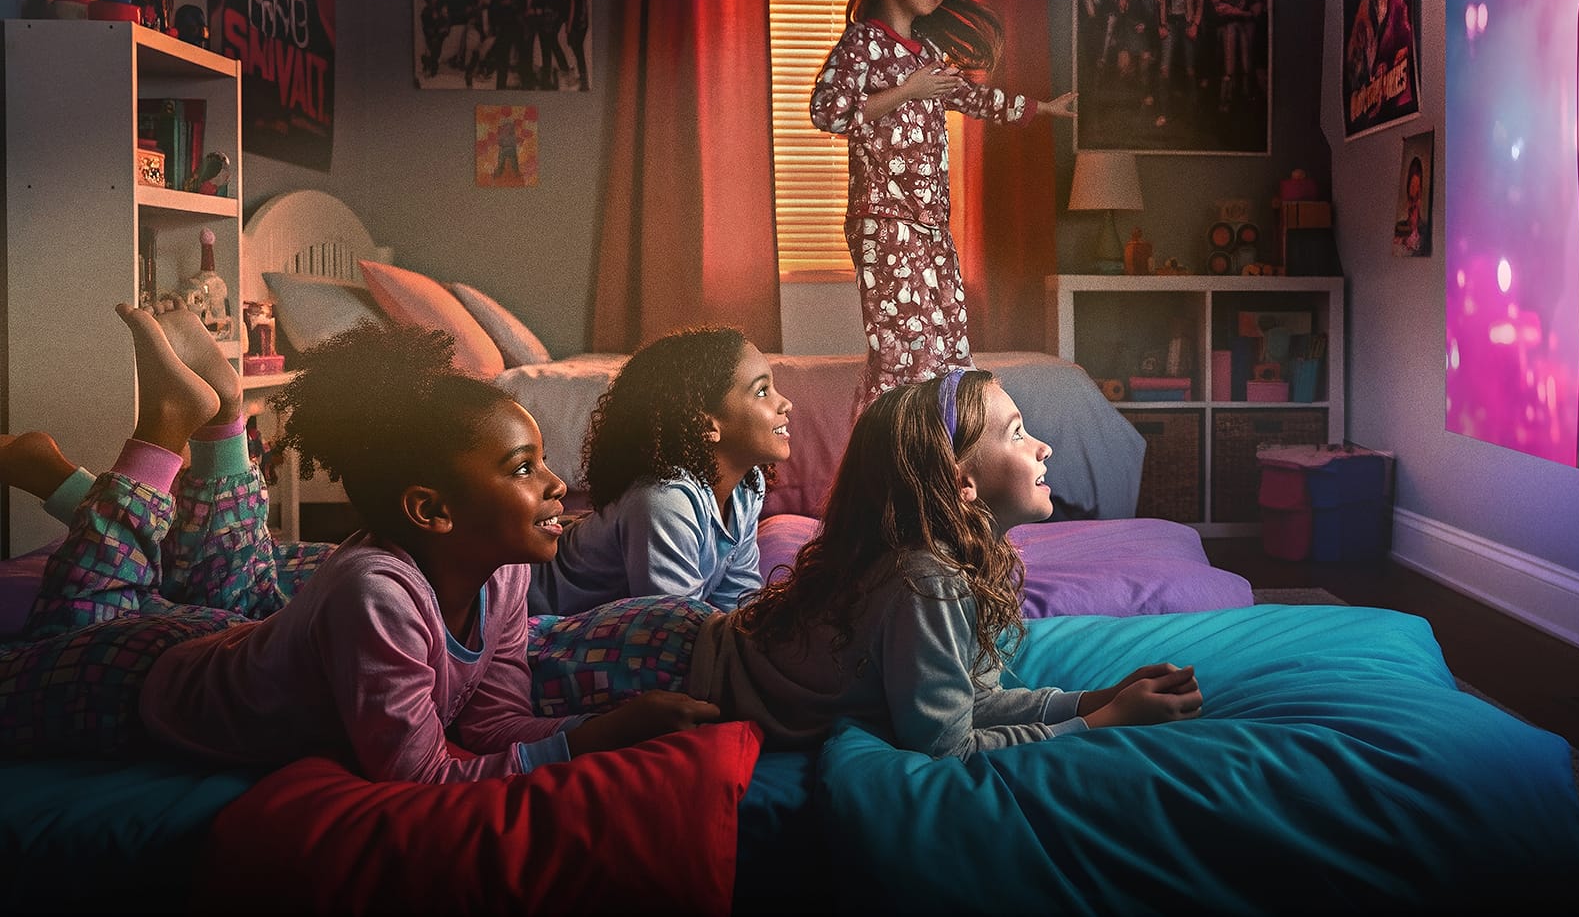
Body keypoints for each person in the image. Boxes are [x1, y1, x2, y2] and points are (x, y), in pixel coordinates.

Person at [0, 308, 719, 780]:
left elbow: (493, 722)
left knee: (123, 598)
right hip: (129, 689)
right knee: (71, 623)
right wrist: (595, 739)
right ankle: (166, 428)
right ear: (432, 512)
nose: (561, 486)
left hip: (210, 639)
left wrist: (612, 726)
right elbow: (421, 777)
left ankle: (200, 427)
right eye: (524, 469)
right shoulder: (375, 591)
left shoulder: (501, 580)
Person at [688, 370, 1203, 757]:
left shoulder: (944, 566)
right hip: (673, 664)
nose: (1044, 448)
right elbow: (948, 746)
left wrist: (1095, 699)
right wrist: (1102, 723)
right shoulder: (926, 583)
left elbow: (971, 698)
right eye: (1018, 433)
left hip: (688, 644)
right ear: (963, 483)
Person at [808, 0, 1077, 413]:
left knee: (949, 348)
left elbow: (975, 99)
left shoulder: (929, 53)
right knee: (900, 354)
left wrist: (1043, 109)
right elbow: (828, 110)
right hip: (884, 221)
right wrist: (907, 92)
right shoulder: (862, 44)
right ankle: (886, 453)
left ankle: (942, 455)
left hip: (933, 224)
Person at [529, 327, 792, 616]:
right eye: (762, 391)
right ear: (707, 426)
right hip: (537, 599)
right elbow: (676, 626)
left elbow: (740, 600)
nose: (785, 403)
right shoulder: (665, 501)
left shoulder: (747, 486)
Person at [1152, 0, 1204, 129]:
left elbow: (1200, 2)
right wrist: (1160, 25)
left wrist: (1195, 24)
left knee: (1190, 70)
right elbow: (1158, 2)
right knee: (1164, 69)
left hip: (1187, 23)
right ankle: (1164, 112)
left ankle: (1192, 114)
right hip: (1170, 24)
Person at [526, 0, 570, 91]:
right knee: (543, 49)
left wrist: (545, 13)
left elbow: (561, 11)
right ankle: (547, 78)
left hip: (552, 25)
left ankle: (555, 75)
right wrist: (535, 10)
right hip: (538, 25)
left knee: (550, 47)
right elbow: (530, 8)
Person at [438, 0, 483, 80]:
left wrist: (472, 9)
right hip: (454, 22)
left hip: (469, 22)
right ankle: (456, 59)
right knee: (455, 39)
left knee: (472, 37)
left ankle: (467, 63)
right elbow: (442, 7)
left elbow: (476, 7)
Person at [560, 0, 591, 92]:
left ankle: (584, 84)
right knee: (579, 55)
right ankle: (584, 82)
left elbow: (572, 9)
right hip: (581, 26)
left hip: (577, 27)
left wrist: (568, 27)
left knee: (579, 55)